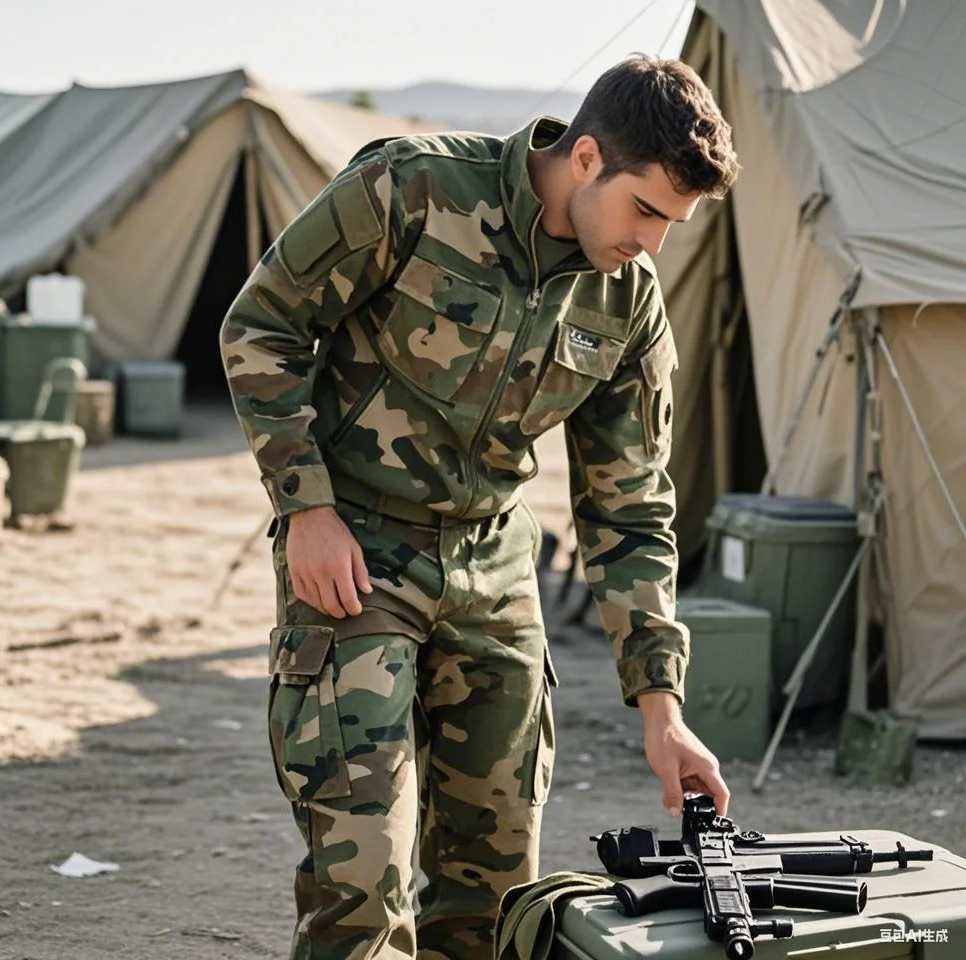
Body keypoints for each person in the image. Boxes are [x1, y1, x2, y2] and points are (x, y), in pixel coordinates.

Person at [220, 53, 739, 960]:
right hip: (358, 548)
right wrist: (305, 508)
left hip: (496, 566)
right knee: (360, 880)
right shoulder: (410, 191)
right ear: (585, 159)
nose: (654, 242)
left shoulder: (626, 302)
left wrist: (663, 706)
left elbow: (628, 506)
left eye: (675, 223)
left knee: (497, 894)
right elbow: (261, 325)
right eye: (647, 210)